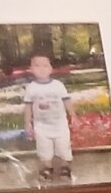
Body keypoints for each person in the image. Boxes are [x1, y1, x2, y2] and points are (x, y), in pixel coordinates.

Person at [22, 52, 75, 184]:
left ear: (51, 68)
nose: (41, 68)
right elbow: (28, 106)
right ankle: (47, 168)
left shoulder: (58, 85)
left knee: (63, 147)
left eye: (45, 65)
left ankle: (65, 167)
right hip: (41, 126)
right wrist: (28, 123)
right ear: (31, 69)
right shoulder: (31, 88)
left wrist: (73, 115)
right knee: (44, 149)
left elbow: (66, 100)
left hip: (60, 124)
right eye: (37, 65)